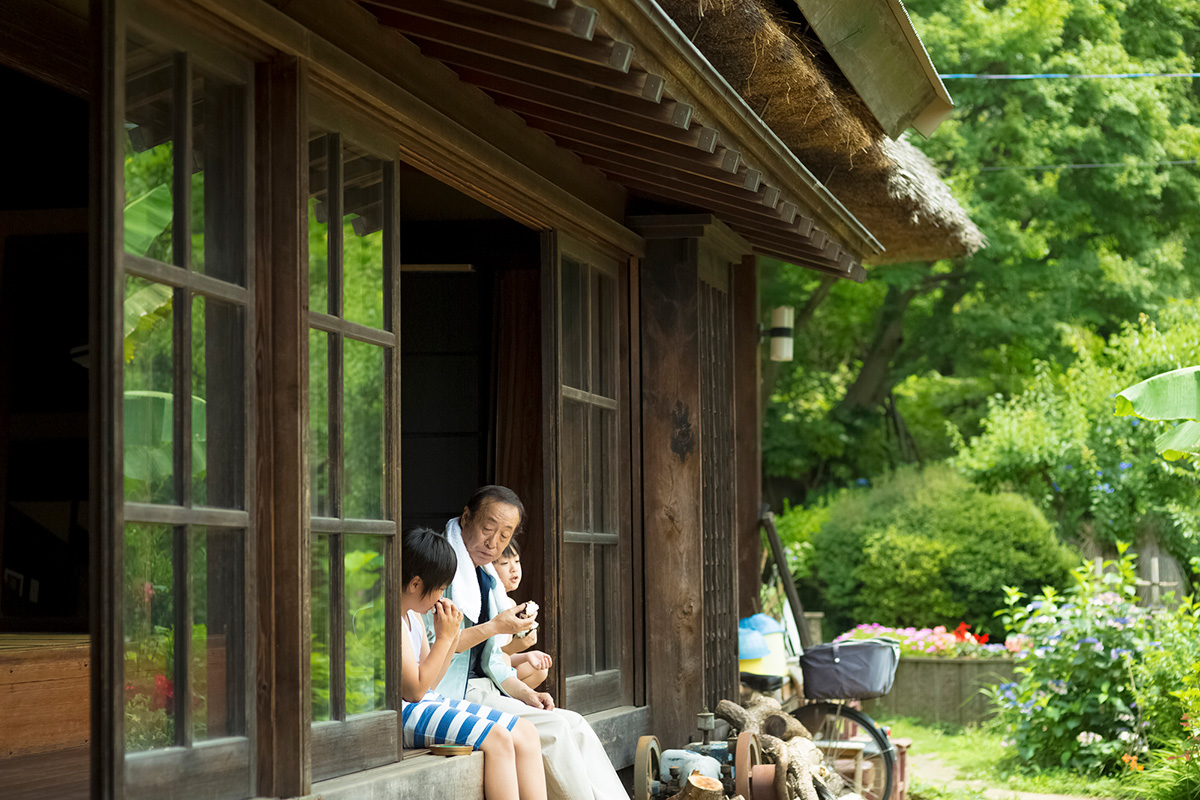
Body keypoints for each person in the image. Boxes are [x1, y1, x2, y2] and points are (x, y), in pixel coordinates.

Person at [429, 485, 628, 800]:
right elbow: (437, 649)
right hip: (450, 692)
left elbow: (493, 660)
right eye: (487, 528)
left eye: (505, 536)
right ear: (466, 518)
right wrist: (496, 626)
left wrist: (527, 694)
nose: (493, 543)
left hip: (485, 689)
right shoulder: (440, 567)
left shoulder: (487, 580)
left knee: (574, 723)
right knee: (554, 731)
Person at [400, 527, 547, 800]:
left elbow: (431, 682)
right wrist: (445, 638)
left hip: (426, 701)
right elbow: (414, 692)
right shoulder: (391, 619)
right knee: (499, 738)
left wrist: (451, 636)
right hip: (401, 714)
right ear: (416, 584)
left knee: (525, 731)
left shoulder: (414, 616)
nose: (442, 596)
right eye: (441, 588)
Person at [491, 540, 553, 690]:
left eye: (517, 561)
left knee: (539, 668)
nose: (514, 569)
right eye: (505, 563)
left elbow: (504, 655)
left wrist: (526, 655)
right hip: (485, 673)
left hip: (501, 664)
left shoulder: (511, 604)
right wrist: (514, 647)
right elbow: (491, 658)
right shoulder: (488, 603)